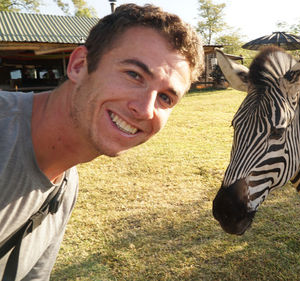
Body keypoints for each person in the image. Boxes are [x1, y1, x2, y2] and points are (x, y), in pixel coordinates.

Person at [0, 4, 204, 280]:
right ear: (79, 66)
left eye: (166, 98)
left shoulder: (65, 189)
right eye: (134, 74)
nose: (145, 110)